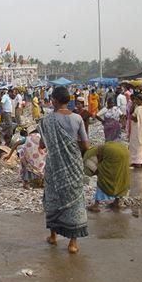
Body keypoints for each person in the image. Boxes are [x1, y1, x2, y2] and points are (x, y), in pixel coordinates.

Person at [38, 86, 90, 254]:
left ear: (54, 100)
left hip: (54, 167)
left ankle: (53, 236)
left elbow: (42, 145)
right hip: (74, 165)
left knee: (53, 199)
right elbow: (86, 145)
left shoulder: (47, 120)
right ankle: (73, 244)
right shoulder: (77, 119)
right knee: (75, 200)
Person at [84, 142, 130, 212]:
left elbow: (91, 170)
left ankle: (96, 205)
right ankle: (116, 202)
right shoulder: (94, 150)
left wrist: (99, 172)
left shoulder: (88, 156)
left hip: (114, 154)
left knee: (103, 179)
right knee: (120, 177)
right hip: (124, 151)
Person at [128, 93, 142, 168]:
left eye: (137, 100)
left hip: (137, 130)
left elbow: (136, 119)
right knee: (141, 145)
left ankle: (136, 161)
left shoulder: (138, 109)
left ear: (140, 100)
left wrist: (131, 117)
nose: (135, 101)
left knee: (135, 145)